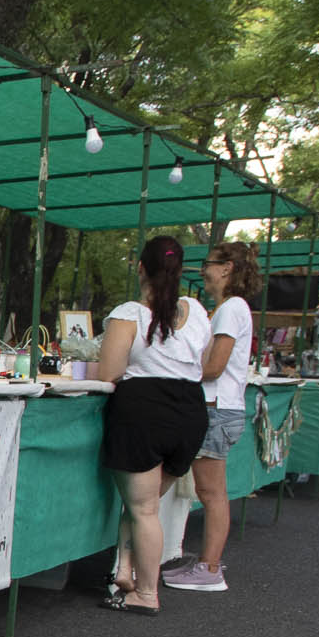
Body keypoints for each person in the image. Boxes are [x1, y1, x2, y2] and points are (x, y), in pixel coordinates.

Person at [91, 234, 212, 614]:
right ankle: (124, 571)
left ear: (141, 267)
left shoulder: (130, 312)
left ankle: (146, 593)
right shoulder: (196, 310)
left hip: (143, 411)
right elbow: (201, 365)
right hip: (190, 413)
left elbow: (109, 371)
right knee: (141, 503)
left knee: (143, 510)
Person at [165, 244, 259, 594]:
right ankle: (207, 562)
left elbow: (215, 366)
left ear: (227, 268)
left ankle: (209, 568)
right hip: (222, 407)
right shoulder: (231, 309)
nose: (203, 270)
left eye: (209, 264)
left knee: (211, 492)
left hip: (216, 407)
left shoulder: (231, 309)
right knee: (211, 490)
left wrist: (175, 367)